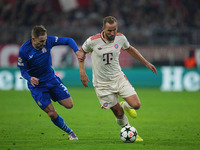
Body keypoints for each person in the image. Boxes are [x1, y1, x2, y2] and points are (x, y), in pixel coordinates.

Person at [78, 16, 157, 141]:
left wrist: (146, 63)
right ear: (103, 29)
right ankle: (129, 131)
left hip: (118, 78)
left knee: (136, 105)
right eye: (109, 30)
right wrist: (82, 73)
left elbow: (130, 49)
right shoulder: (92, 41)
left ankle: (125, 105)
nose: (112, 33)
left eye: (114, 29)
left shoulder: (121, 38)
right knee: (119, 113)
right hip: (102, 84)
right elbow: (81, 53)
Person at [17, 25, 84, 140]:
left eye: (45, 40)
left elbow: (69, 40)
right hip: (37, 86)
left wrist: (76, 51)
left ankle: (53, 96)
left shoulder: (49, 41)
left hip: (51, 79)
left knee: (69, 105)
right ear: (33, 39)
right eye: (41, 41)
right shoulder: (24, 50)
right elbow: (23, 71)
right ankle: (70, 133)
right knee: (52, 113)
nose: (44, 43)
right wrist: (29, 78)